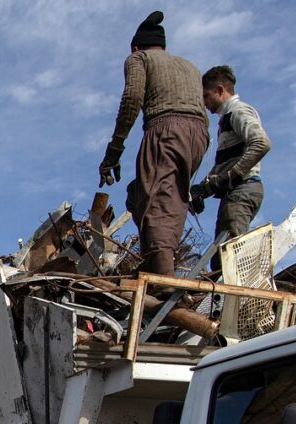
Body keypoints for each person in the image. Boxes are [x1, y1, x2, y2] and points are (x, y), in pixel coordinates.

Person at [98, 10, 210, 276]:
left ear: (135, 46)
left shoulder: (139, 58)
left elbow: (132, 99)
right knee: (152, 195)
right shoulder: (189, 66)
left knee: (157, 201)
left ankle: (164, 277)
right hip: (200, 136)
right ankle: (155, 259)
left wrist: (114, 150)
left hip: (166, 129)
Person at [190, 65, 272, 271]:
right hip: (236, 190)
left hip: (243, 189)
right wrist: (203, 189)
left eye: (206, 96)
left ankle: (234, 301)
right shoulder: (225, 120)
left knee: (232, 254)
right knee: (221, 256)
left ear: (220, 90)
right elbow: (225, 165)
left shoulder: (238, 111)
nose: (205, 103)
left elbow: (261, 143)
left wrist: (232, 176)